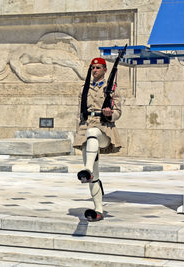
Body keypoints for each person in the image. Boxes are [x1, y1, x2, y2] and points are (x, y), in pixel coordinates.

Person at [72, 57, 122, 222]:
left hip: (104, 128)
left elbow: (118, 112)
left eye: (98, 68)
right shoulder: (84, 89)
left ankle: (86, 169)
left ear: (105, 70)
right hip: (86, 128)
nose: (95, 71)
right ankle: (98, 210)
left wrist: (110, 114)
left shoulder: (111, 88)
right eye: (93, 68)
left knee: (94, 132)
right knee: (94, 176)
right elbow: (80, 111)